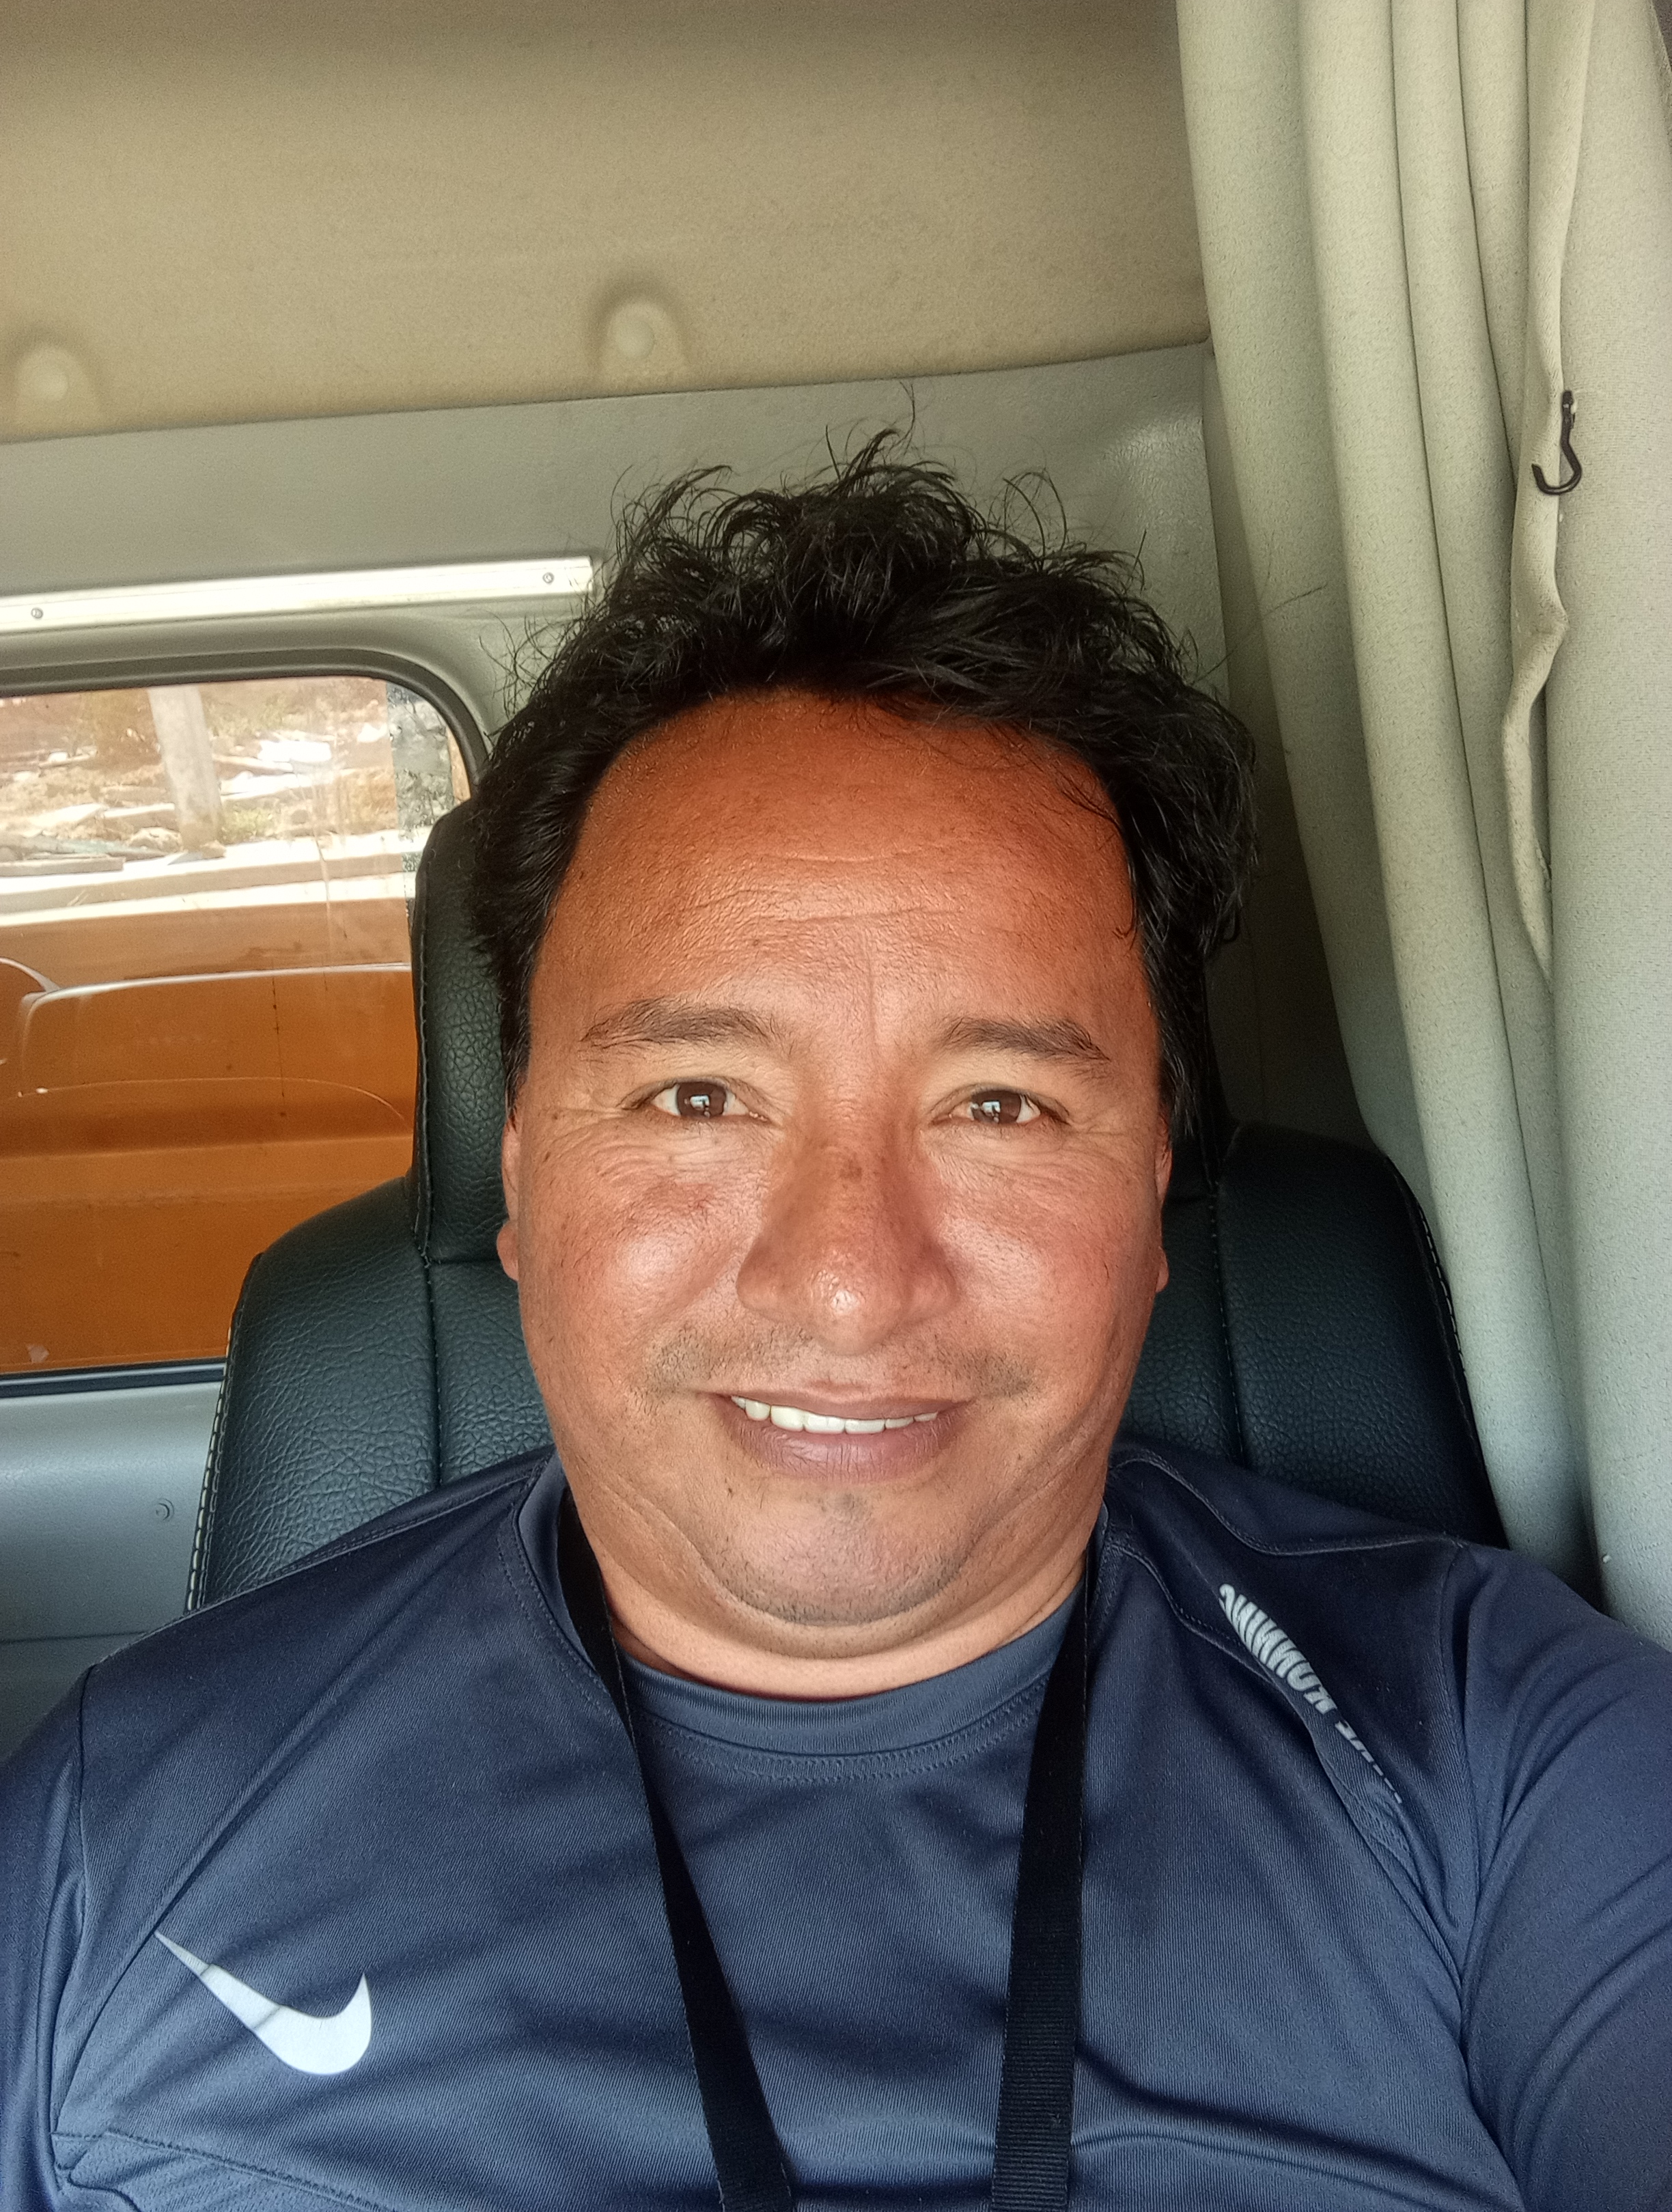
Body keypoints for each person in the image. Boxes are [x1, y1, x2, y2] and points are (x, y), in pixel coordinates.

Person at [3, 443, 1670, 2212]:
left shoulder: (1504, 1755)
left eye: (1001, 1108)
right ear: (524, 1180)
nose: (853, 1283)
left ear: (1151, 1193)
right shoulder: (124, 1831)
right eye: (698, 1098)